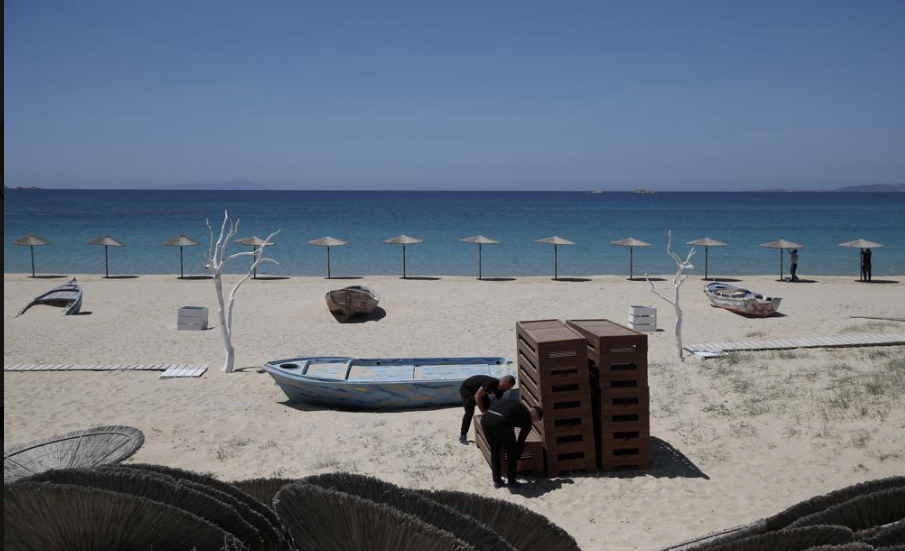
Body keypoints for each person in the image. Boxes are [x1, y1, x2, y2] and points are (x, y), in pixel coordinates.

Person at [480, 400, 543, 488]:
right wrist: (517, 459)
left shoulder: (516, 404)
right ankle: (512, 482)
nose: (534, 422)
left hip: (485, 418)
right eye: (536, 420)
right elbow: (520, 442)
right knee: (512, 450)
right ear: (534, 415)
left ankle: (497, 481)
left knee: (495, 449)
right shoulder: (528, 419)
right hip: (500, 421)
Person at [459, 374, 515, 444]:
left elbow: (493, 404)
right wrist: (483, 412)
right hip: (468, 389)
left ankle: (490, 433)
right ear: (506, 383)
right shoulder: (491, 382)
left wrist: (489, 412)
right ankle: (463, 436)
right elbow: (477, 396)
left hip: (480, 392)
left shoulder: (501, 391)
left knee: (489, 411)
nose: (510, 389)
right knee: (469, 412)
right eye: (511, 386)